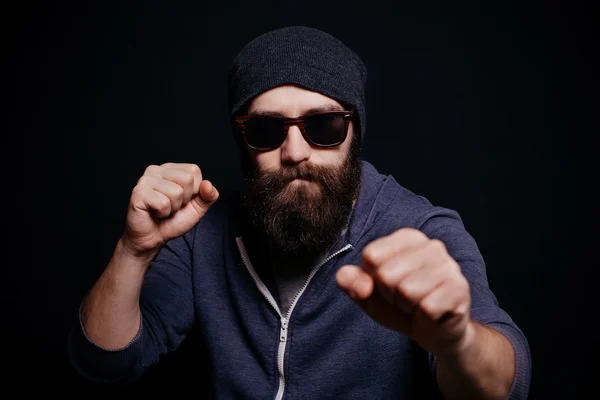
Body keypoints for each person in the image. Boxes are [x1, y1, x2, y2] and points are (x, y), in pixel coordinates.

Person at [68, 26, 531, 399]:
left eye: (323, 125)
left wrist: (457, 341)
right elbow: (106, 365)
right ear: (243, 141)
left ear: (355, 132)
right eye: (267, 130)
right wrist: (133, 250)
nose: (295, 151)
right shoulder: (200, 230)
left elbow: (503, 388)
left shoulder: (422, 231)